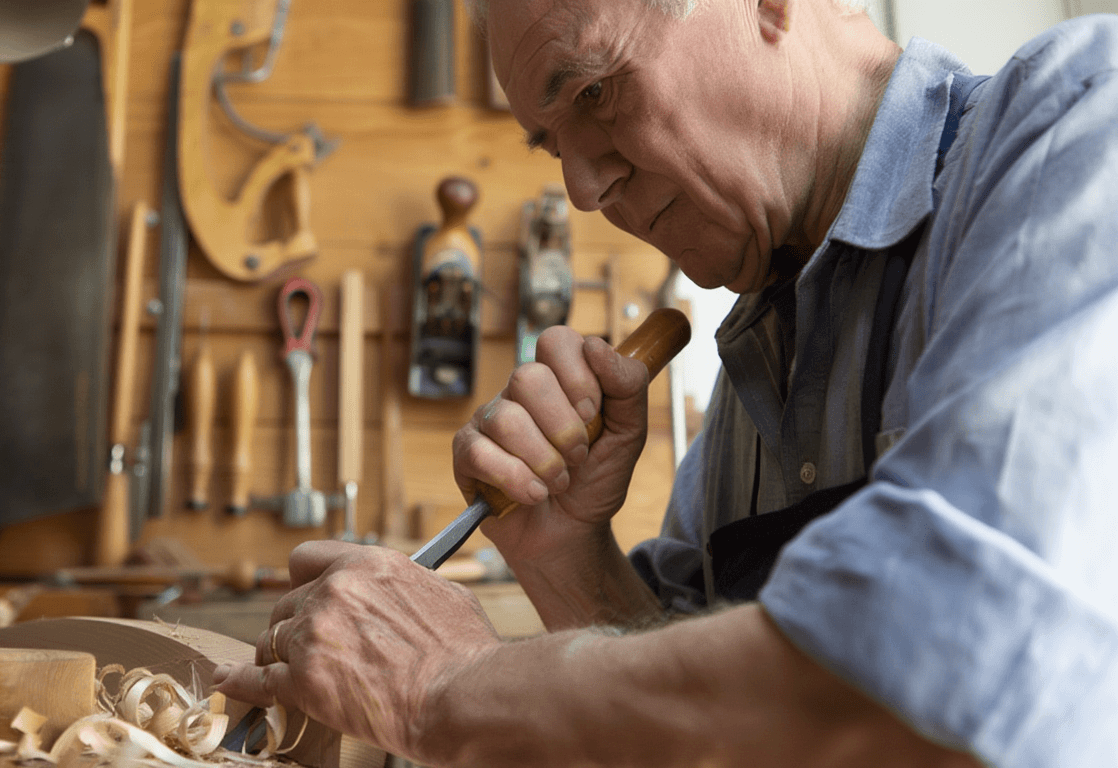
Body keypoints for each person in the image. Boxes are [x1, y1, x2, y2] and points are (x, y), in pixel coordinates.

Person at [213, 0, 1118, 764]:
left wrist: (446, 688)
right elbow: (687, 730)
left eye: (596, 93)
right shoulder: (758, 356)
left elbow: (961, 661)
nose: (581, 188)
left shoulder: (1078, 121)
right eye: (548, 144)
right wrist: (568, 555)